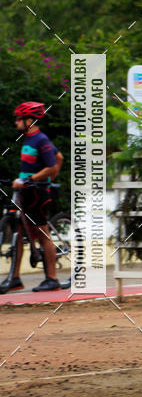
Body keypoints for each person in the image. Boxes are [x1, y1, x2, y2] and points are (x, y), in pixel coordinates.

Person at [0, 102, 63, 294]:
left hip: (37, 191)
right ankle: (15, 278)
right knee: (18, 233)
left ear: (29, 121)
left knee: (43, 234)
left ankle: (52, 279)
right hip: (25, 191)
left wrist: (35, 179)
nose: (16, 122)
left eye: (19, 119)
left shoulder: (40, 140)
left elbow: (52, 165)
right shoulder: (29, 139)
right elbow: (59, 156)